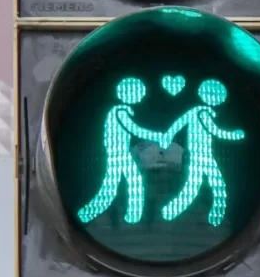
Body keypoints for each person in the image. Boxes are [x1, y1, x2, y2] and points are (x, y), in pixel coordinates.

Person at [78, 77, 165, 225]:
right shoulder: (120, 111)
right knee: (116, 187)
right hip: (118, 155)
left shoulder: (119, 111)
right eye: (139, 93)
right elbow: (134, 129)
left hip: (119, 154)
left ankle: (131, 215)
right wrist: (156, 136)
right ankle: (89, 214)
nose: (142, 96)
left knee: (125, 184)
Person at [159, 79, 245, 226]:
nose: (218, 99)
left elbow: (178, 124)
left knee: (202, 185)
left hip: (201, 156)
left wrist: (168, 136)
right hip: (201, 156)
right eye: (217, 96)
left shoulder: (196, 111)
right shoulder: (202, 113)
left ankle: (173, 211)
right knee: (212, 185)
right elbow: (215, 131)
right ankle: (176, 211)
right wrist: (234, 135)